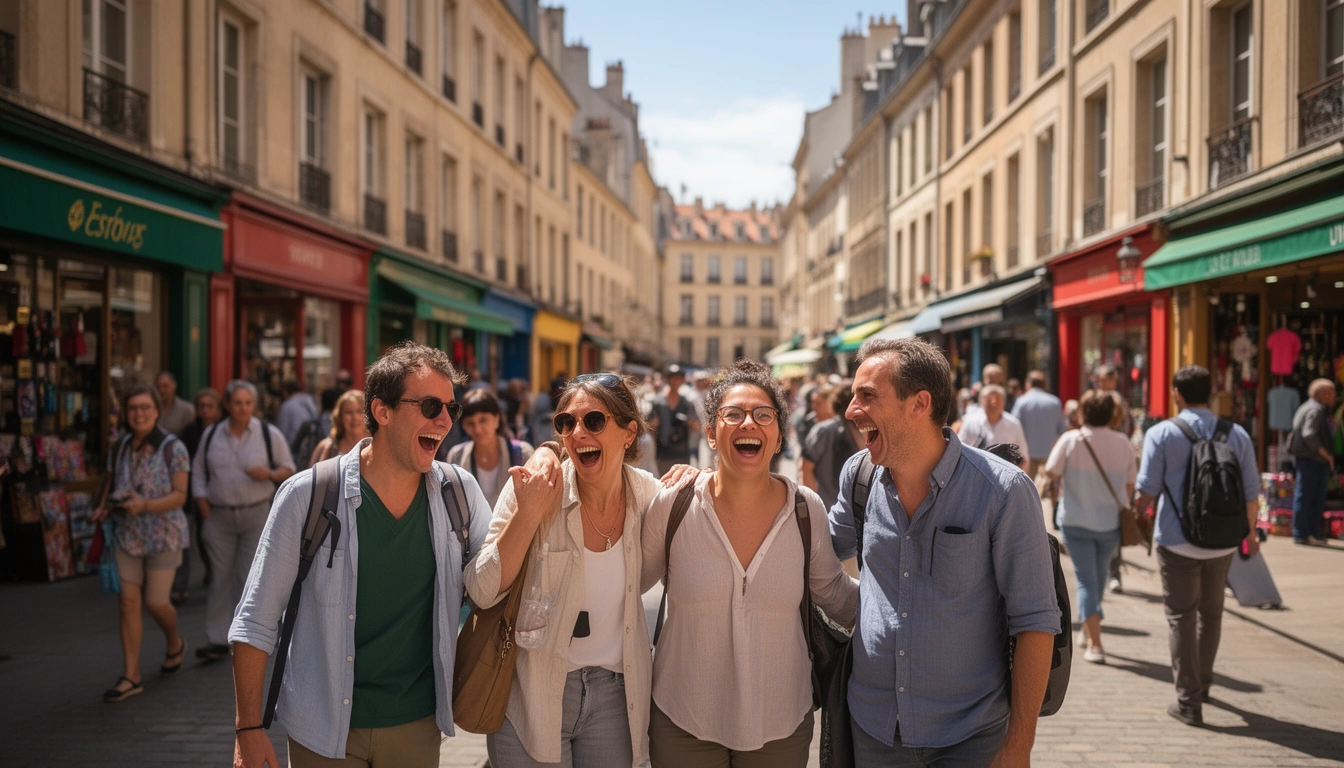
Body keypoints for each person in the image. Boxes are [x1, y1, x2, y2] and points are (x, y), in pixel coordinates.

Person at [231, 343, 560, 768]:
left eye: (450, 409)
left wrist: (545, 464)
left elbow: (488, 586)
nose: (444, 421)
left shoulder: (457, 492)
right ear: (381, 411)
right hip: (322, 726)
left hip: (418, 725)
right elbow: (255, 620)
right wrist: (248, 729)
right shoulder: (306, 496)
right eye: (428, 406)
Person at [831, 337, 1059, 764]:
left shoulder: (1003, 491)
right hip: (874, 730)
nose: (850, 411)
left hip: (970, 737)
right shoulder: (858, 478)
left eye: (867, 396)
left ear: (919, 404)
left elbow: (1035, 622)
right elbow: (810, 547)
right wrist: (720, 485)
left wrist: (1019, 744)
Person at [464, 373, 696, 768]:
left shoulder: (648, 497)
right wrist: (529, 513)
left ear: (628, 433)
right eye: (566, 423)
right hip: (531, 690)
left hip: (615, 697)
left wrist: (698, 478)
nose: (577, 432)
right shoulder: (536, 486)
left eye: (594, 421)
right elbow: (481, 591)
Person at [643, 360, 857, 767]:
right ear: (709, 433)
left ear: (778, 438)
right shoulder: (674, 503)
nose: (748, 424)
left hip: (780, 720)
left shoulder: (805, 510)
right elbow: (626, 581)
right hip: (682, 715)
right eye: (733, 414)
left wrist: (905, 616)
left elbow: (834, 593)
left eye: (763, 415)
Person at [1133, 365, 1260, 727]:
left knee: (1180, 617)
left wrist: (1137, 510)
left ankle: (1188, 701)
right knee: (1212, 613)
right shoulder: (1236, 433)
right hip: (1223, 542)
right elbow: (1252, 492)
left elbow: (1147, 493)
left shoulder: (1161, 433)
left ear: (1177, 392)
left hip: (1176, 541)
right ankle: (1203, 684)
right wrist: (1250, 534)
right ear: (1212, 392)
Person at [94, 385, 192, 703]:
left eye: (145, 407)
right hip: (127, 533)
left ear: (156, 410)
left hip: (163, 534)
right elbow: (110, 481)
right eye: (133, 408)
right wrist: (107, 504)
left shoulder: (172, 447)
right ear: (125, 412)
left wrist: (145, 505)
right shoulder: (119, 447)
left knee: (155, 602)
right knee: (127, 603)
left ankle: (174, 642)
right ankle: (131, 675)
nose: (139, 413)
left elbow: (180, 496)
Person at [192, 381, 296, 662]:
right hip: (219, 516)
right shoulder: (212, 434)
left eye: (248, 403)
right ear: (227, 405)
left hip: (257, 513)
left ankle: (251, 637)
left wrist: (270, 474)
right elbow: (199, 474)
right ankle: (216, 638)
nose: (243, 408)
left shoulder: (268, 433)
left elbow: (289, 469)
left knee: (252, 577)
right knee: (219, 577)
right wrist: (204, 511)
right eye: (237, 403)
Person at [1043, 390, 1136, 665]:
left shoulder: (1071, 440)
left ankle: (1094, 642)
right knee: (1097, 580)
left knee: (1087, 582)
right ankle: (1091, 630)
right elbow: (1130, 485)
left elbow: (1050, 471)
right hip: (1110, 525)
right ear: (1112, 414)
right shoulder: (1123, 443)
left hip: (1076, 522)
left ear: (1082, 412)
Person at [170, 387, 224, 604]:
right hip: (193, 491)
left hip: (218, 493)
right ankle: (181, 584)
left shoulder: (223, 430)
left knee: (209, 538)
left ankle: (215, 572)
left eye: (209, 406)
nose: (204, 410)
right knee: (190, 538)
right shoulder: (190, 431)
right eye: (201, 406)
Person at [445, 388, 536, 509]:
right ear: (464, 426)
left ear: (497, 419)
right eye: (470, 423)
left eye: (483, 420)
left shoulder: (522, 453)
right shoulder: (456, 456)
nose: (477, 429)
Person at [1287, 378, 1336, 545]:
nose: (1334, 396)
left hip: (1310, 459)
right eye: (1331, 392)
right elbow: (1309, 434)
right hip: (1311, 459)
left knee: (1312, 495)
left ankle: (1311, 532)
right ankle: (1303, 533)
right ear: (1320, 394)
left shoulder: (1310, 408)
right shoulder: (1314, 410)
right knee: (1308, 495)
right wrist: (1326, 455)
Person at [802, 382, 861, 512]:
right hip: (828, 508)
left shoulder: (864, 431)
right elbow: (806, 468)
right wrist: (814, 505)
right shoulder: (825, 430)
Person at [956, 384, 1030, 471]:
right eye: (989, 400)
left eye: (997, 399)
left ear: (1003, 402)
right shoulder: (970, 421)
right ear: (982, 401)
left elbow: (1023, 457)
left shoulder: (1014, 424)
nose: (993, 403)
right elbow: (960, 450)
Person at [1012, 371, 1068, 483]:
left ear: (1028, 383)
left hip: (1026, 454)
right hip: (1049, 454)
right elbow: (1062, 430)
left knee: (1027, 485)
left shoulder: (1021, 401)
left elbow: (1014, 427)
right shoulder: (1054, 402)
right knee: (1045, 490)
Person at [654, 365, 700, 475]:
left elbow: (697, 425)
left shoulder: (687, 403)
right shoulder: (658, 402)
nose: (676, 381)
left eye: (679, 378)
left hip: (681, 452)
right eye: (673, 378)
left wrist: (690, 422)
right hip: (663, 452)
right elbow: (650, 425)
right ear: (667, 379)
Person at [308, 389, 370, 466]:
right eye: (348, 412)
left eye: (359, 411)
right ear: (339, 417)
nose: (355, 417)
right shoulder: (326, 447)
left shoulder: (378, 445)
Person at [276, 380, 319, 445]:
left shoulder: (287, 405)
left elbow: (282, 431)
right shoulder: (309, 401)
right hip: (310, 444)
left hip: (294, 446)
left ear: (285, 392)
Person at [155, 371, 196, 436]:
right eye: (158, 387)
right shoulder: (150, 409)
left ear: (174, 386)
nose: (161, 390)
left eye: (165, 386)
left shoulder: (187, 410)